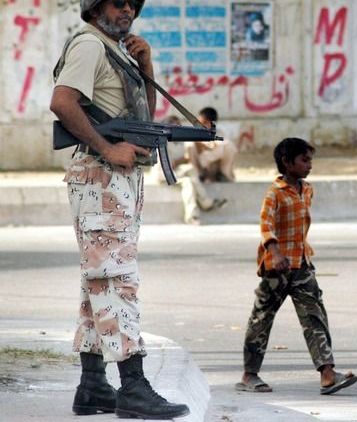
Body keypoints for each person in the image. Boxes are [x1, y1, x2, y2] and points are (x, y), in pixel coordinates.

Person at [49, 0, 189, 418]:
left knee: (99, 280)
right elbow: (62, 102)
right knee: (116, 280)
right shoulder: (90, 45)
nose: (127, 8)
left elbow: (143, 114)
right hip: (100, 176)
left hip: (116, 179)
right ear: (95, 7)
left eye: (132, 2)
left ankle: (93, 384)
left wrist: (145, 67)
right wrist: (108, 147)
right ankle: (133, 386)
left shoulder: (118, 49)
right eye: (116, 1)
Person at [236, 138, 357, 395]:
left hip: (302, 265)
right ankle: (249, 375)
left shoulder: (307, 189)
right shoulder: (275, 193)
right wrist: (275, 252)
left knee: (314, 316)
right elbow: (265, 225)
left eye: (310, 160)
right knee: (261, 319)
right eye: (304, 160)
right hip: (276, 268)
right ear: (287, 162)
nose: (309, 165)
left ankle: (327, 373)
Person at [152, 115, 227, 225]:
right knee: (188, 181)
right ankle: (195, 213)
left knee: (190, 174)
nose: (179, 128)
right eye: (175, 126)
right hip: (163, 174)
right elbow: (167, 165)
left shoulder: (179, 141)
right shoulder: (163, 141)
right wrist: (183, 159)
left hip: (175, 172)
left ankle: (201, 207)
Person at [186, 106, 238, 183]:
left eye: (203, 123)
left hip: (215, 166)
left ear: (211, 123)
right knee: (190, 145)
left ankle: (224, 175)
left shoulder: (220, 133)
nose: (200, 125)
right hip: (202, 167)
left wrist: (209, 146)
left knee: (229, 146)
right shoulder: (195, 133)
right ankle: (200, 176)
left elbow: (220, 147)